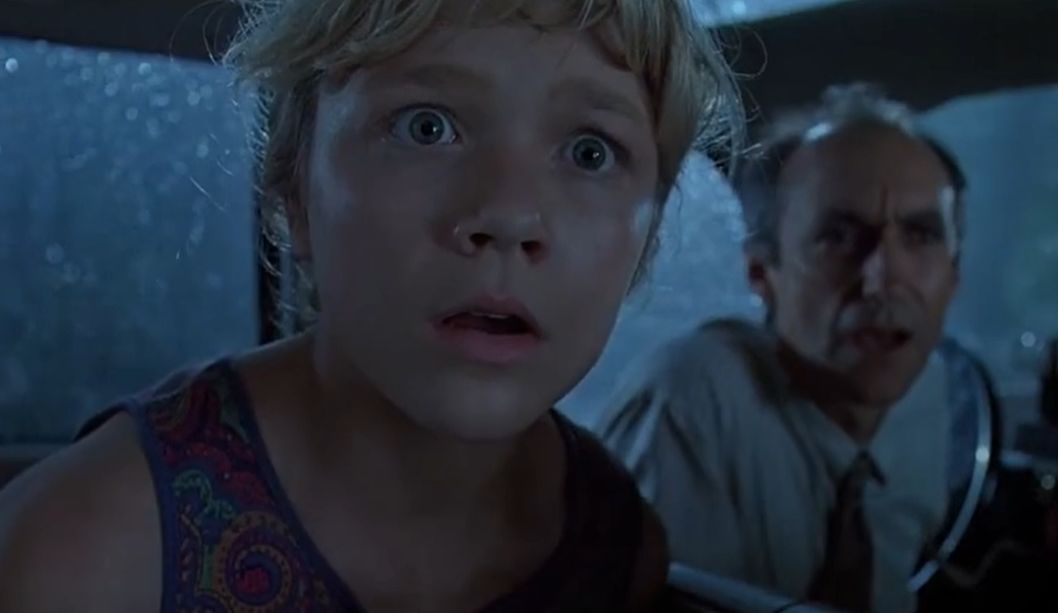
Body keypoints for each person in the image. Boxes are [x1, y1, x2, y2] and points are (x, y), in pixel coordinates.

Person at [0, 0, 744, 611]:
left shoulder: (614, 546)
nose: (509, 213)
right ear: (293, 191)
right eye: (427, 126)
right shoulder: (85, 552)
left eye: (589, 151)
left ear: (647, 236)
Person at [599, 84, 967, 613]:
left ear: (954, 277)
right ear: (761, 273)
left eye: (922, 235)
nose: (882, 280)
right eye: (838, 236)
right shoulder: (693, 400)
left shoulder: (928, 393)